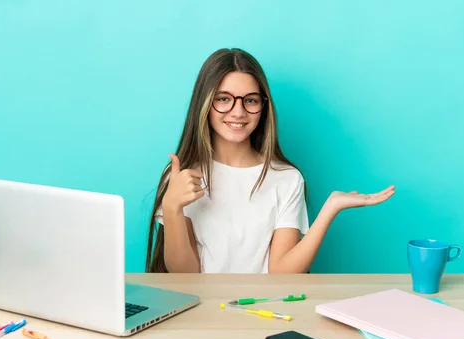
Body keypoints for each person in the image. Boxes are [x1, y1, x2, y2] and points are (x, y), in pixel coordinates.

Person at [145, 48, 395, 274]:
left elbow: (281, 274)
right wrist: (171, 207)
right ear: (205, 104)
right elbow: (184, 275)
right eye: (223, 99)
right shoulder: (182, 178)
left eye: (250, 100)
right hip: (202, 314)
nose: (238, 111)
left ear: (263, 107)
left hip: (264, 314)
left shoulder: (287, 178)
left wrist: (330, 208)